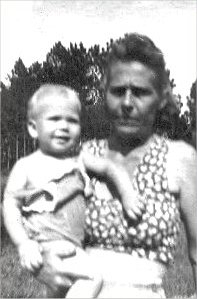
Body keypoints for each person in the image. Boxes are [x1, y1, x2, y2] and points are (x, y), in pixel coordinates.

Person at [3, 83, 144, 298]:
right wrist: (23, 244)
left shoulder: (79, 160)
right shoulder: (26, 166)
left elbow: (110, 167)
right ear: (33, 128)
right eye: (54, 119)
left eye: (72, 120)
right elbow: (10, 204)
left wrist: (127, 194)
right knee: (92, 277)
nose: (64, 126)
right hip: (42, 245)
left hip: (74, 245)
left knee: (62, 292)